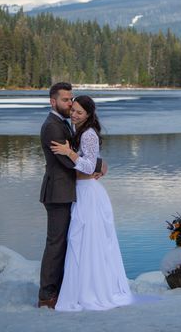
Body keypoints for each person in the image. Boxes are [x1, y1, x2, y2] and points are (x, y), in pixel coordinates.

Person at [49, 95, 134, 311]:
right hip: (81, 191)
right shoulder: (77, 130)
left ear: (88, 114)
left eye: (79, 112)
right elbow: (94, 162)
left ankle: (91, 290)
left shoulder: (88, 134)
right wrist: (102, 165)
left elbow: (88, 167)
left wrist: (69, 152)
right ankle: (81, 287)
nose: (74, 115)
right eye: (73, 110)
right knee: (81, 241)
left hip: (89, 194)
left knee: (88, 242)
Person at [37, 83, 105, 309]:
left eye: (71, 99)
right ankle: (47, 296)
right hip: (58, 192)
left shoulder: (64, 123)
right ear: (52, 101)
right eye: (65, 100)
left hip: (68, 191)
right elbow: (68, 161)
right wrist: (101, 164)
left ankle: (64, 288)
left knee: (68, 243)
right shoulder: (53, 127)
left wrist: (95, 163)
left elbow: (77, 156)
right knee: (56, 244)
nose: (69, 104)